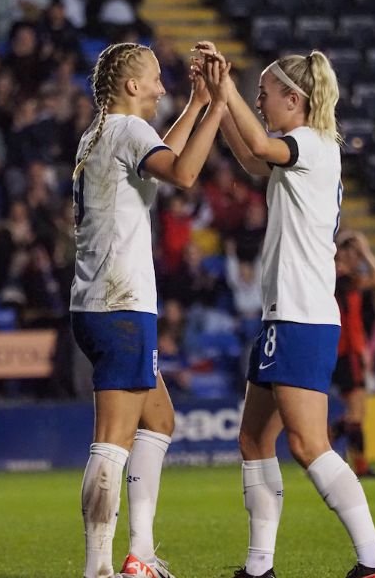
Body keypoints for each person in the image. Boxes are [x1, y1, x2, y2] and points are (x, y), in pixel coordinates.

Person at [195, 42, 375, 578]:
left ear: (294, 97)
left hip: (301, 316)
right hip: (286, 315)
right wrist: (221, 97)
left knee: (309, 445)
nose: (260, 102)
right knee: (254, 439)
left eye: (264, 94)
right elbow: (250, 154)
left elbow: (258, 142)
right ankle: (259, 568)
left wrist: (228, 89)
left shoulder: (310, 141)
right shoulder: (303, 147)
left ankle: (374, 565)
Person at [70, 42, 228, 578]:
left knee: (159, 418)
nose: (163, 87)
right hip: (120, 304)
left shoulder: (100, 133)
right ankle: (99, 567)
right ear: (131, 86)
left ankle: (140, 554)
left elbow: (160, 156)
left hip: (99, 302)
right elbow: (183, 173)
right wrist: (219, 109)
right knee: (112, 440)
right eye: (156, 79)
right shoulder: (129, 132)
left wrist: (196, 107)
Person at [332, 231, 375, 479]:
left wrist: (364, 348)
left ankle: (324, 443)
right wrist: (366, 252)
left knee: (357, 413)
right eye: (352, 254)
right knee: (356, 411)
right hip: (346, 352)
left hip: (352, 351)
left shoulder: (346, 280)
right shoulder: (340, 281)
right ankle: (324, 447)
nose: (357, 259)